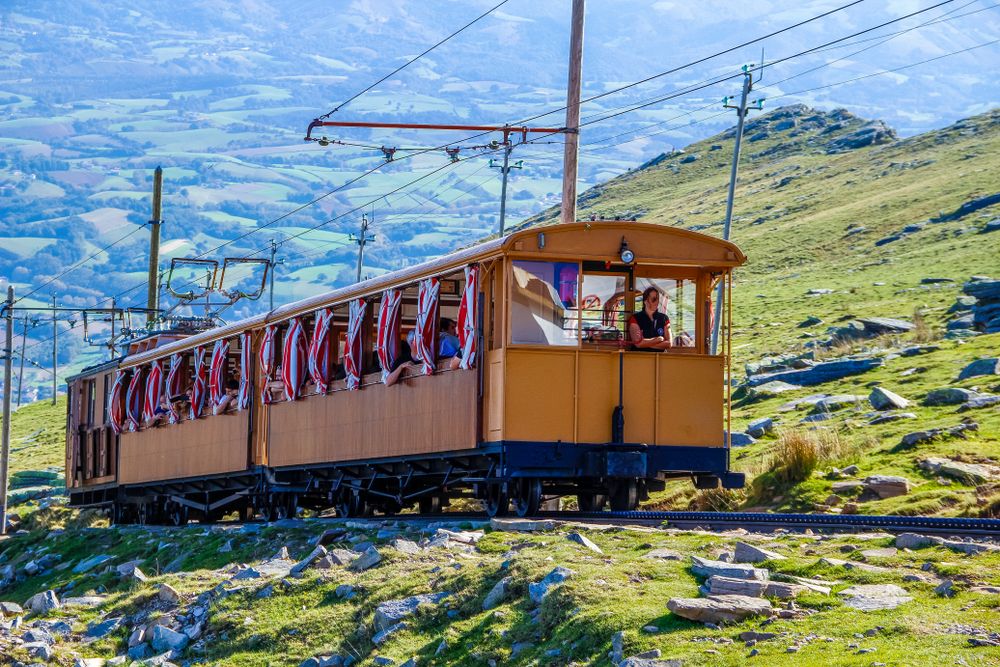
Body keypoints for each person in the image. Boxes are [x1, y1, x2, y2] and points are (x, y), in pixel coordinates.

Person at [628, 287, 672, 351]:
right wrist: (659, 340)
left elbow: (669, 344)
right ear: (645, 301)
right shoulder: (635, 318)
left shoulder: (664, 318)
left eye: (658, 299)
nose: (657, 302)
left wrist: (645, 343)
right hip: (640, 358)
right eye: (654, 299)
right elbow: (638, 343)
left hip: (660, 358)